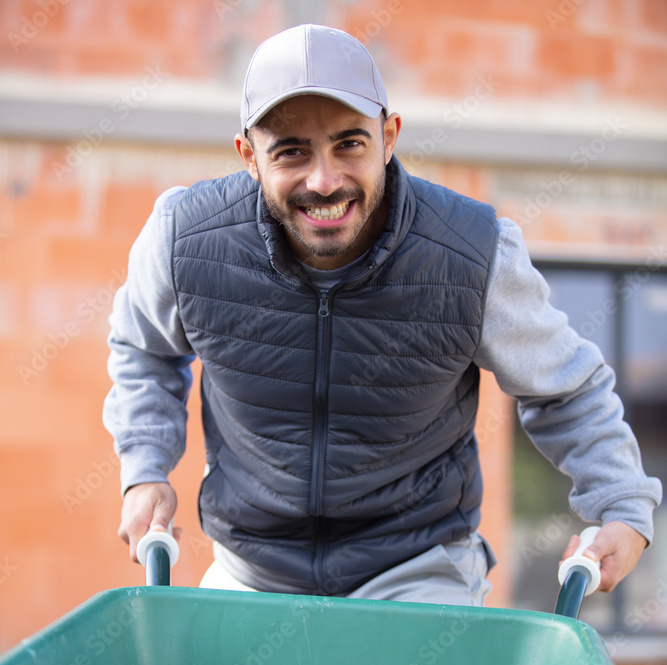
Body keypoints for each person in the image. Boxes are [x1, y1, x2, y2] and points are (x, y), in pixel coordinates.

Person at [103, 23, 661, 606]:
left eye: (350, 144)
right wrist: (145, 468)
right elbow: (144, 348)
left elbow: (565, 390)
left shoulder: (472, 255)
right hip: (253, 564)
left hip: (416, 564)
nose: (324, 180)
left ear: (388, 138)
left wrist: (621, 504)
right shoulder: (186, 241)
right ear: (248, 155)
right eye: (291, 150)